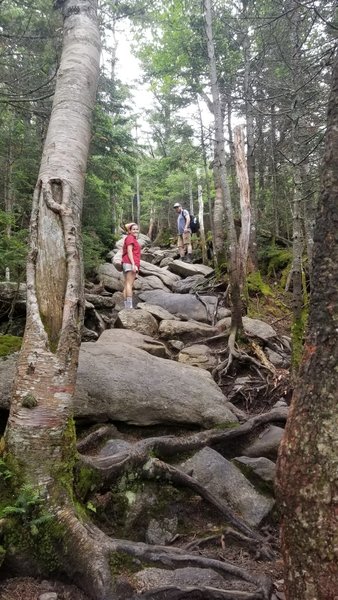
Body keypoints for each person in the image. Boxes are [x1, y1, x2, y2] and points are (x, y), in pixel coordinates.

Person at [122, 222, 141, 309]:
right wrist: (133, 264)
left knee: (126, 285)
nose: (135, 230)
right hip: (130, 263)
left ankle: (126, 306)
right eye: (133, 229)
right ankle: (129, 306)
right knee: (129, 284)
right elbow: (129, 251)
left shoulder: (131, 238)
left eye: (137, 229)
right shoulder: (130, 238)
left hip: (126, 262)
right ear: (129, 231)